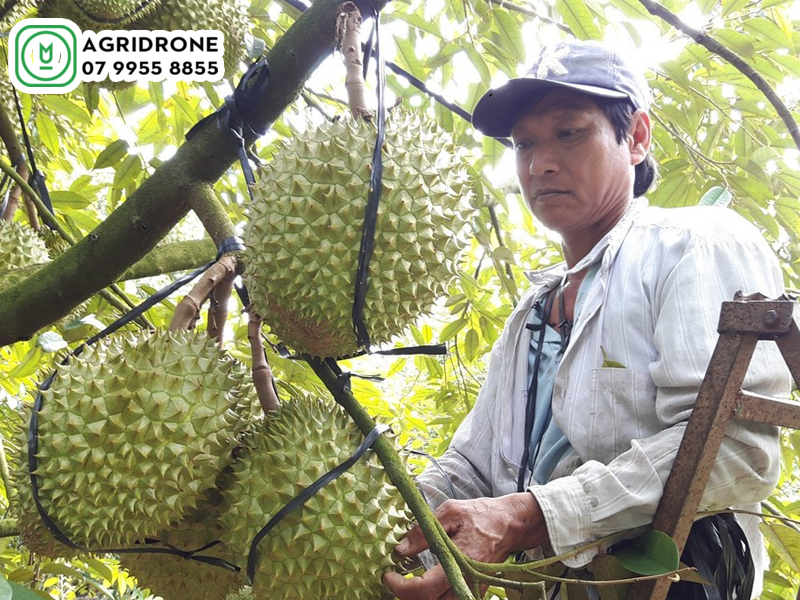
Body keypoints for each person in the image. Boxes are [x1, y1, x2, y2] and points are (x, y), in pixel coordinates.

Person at [383, 39, 790, 600]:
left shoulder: (693, 243)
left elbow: (735, 448)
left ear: (638, 138)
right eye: (524, 143)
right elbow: (472, 467)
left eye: (569, 133)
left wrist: (530, 514)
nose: (540, 163)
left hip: (678, 579)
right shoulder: (532, 313)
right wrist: (389, 525)